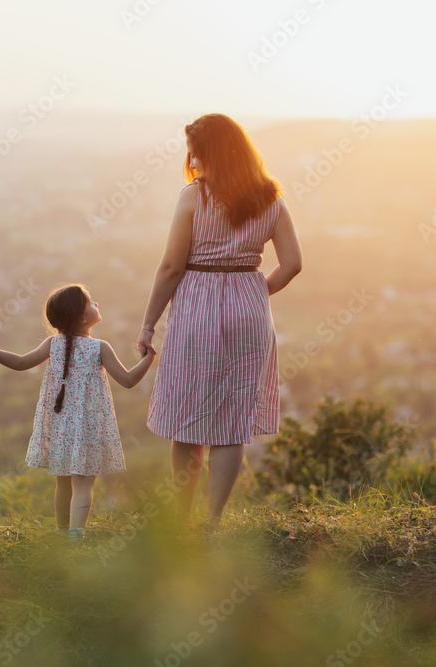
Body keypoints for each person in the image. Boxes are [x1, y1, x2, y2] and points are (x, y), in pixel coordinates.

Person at [138, 113, 302, 526]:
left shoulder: (194, 196)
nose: (189, 155)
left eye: (194, 147)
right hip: (249, 306)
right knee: (231, 423)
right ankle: (212, 524)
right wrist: (254, 291)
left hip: (197, 305)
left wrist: (148, 323)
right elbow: (293, 264)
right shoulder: (271, 198)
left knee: (187, 416)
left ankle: (180, 521)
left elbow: (173, 267)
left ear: (208, 151)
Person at [0, 284, 156, 541]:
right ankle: (76, 536)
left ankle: (62, 534)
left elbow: (20, 362)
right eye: (92, 302)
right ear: (82, 318)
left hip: (60, 426)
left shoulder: (52, 344)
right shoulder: (100, 347)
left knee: (63, 482)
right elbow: (127, 381)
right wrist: (148, 359)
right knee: (83, 483)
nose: (97, 304)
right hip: (89, 427)